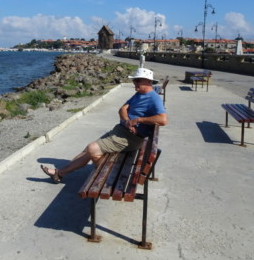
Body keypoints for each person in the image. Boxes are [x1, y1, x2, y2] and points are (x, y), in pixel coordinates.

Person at [40, 67, 168, 183]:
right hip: (122, 131)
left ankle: (104, 175)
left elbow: (163, 119)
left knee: (92, 149)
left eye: (138, 81)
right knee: (89, 150)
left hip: (130, 139)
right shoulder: (139, 94)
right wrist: (128, 122)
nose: (135, 83)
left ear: (149, 82)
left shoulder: (153, 98)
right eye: (135, 80)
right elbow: (122, 109)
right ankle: (60, 173)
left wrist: (139, 120)